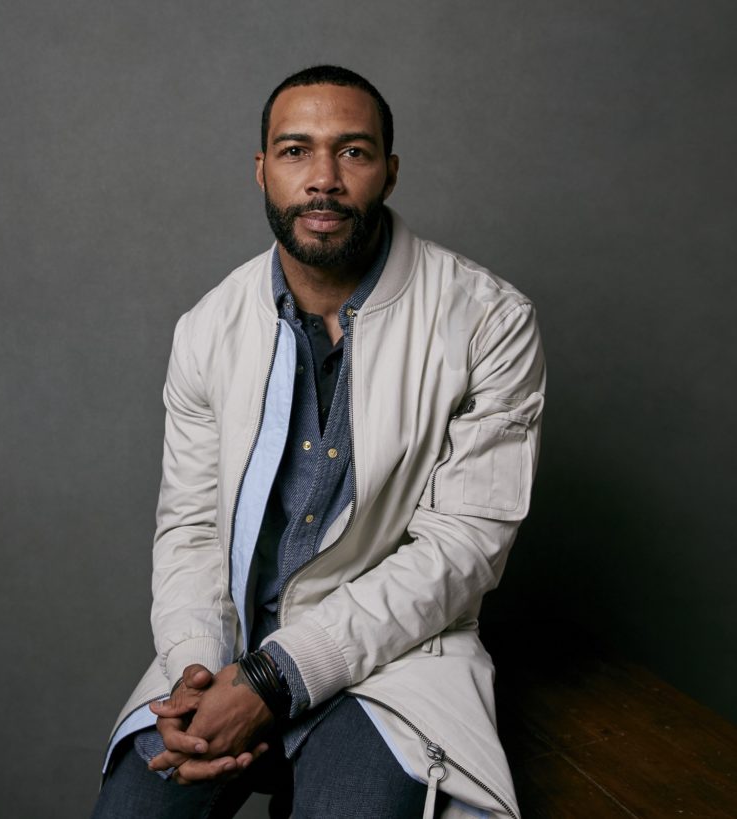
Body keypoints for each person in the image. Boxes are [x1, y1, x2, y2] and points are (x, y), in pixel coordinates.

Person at [92, 65, 545, 819]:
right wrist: (195, 672)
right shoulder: (207, 327)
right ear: (262, 170)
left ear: (390, 172)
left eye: (353, 152)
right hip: (231, 651)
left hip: (394, 659)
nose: (323, 179)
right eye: (296, 151)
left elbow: (462, 549)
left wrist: (276, 678)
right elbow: (192, 530)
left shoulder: (488, 321)